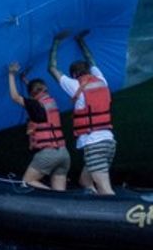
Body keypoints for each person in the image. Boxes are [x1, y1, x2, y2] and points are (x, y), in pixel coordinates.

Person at [48, 30, 116, 195]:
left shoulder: (74, 86)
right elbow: (91, 60)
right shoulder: (101, 80)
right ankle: (95, 204)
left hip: (94, 143)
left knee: (105, 189)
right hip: (108, 142)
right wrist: (80, 41)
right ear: (89, 71)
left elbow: (51, 68)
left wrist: (56, 42)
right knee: (84, 181)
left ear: (74, 75)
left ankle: (119, 218)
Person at [6, 62, 70, 190]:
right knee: (60, 194)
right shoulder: (50, 102)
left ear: (31, 94)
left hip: (48, 154)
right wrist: (25, 80)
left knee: (27, 181)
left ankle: (50, 193)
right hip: (63, 153)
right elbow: (36, 94)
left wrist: (11, 74)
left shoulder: (34, 105)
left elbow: (15, 97)